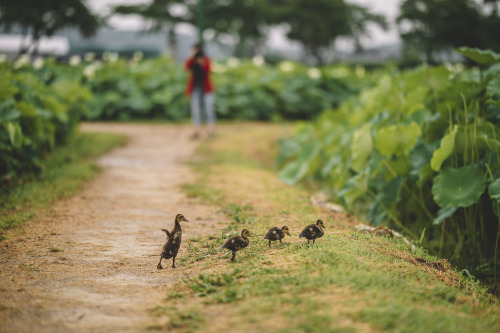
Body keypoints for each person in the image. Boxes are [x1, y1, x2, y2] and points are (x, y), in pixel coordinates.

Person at [184, 43, 216, 139]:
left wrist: (202, 62)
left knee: (209, 110)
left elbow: (208, 69)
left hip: (206, 90)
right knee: (196, 111)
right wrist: (191, 55)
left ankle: (211, 130)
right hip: (195, 89)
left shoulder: (206, 60)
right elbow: (186, 67)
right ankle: (196, 131)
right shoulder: (192, 61)